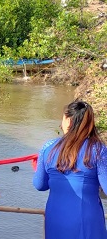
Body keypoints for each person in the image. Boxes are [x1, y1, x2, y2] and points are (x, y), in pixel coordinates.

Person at [33, 101, 107, 239]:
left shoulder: (48, 147)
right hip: (87, 219)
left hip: (56, 217)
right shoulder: (98, 150)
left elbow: (39, 185)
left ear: (68, 120)